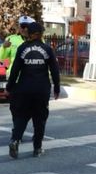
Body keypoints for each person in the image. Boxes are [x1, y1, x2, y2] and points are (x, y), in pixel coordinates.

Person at [6, 22, 61, 158]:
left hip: (24, 89)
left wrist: (9, 87)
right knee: (39, 120)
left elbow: (15, 70)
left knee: (21, 117)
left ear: (29, 34)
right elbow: (54, 70)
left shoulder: (22, 48)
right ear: (40, 34)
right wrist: (57, 88)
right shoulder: (47, 49)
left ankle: (15, 140)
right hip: (41, 90)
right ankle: (37, 149)